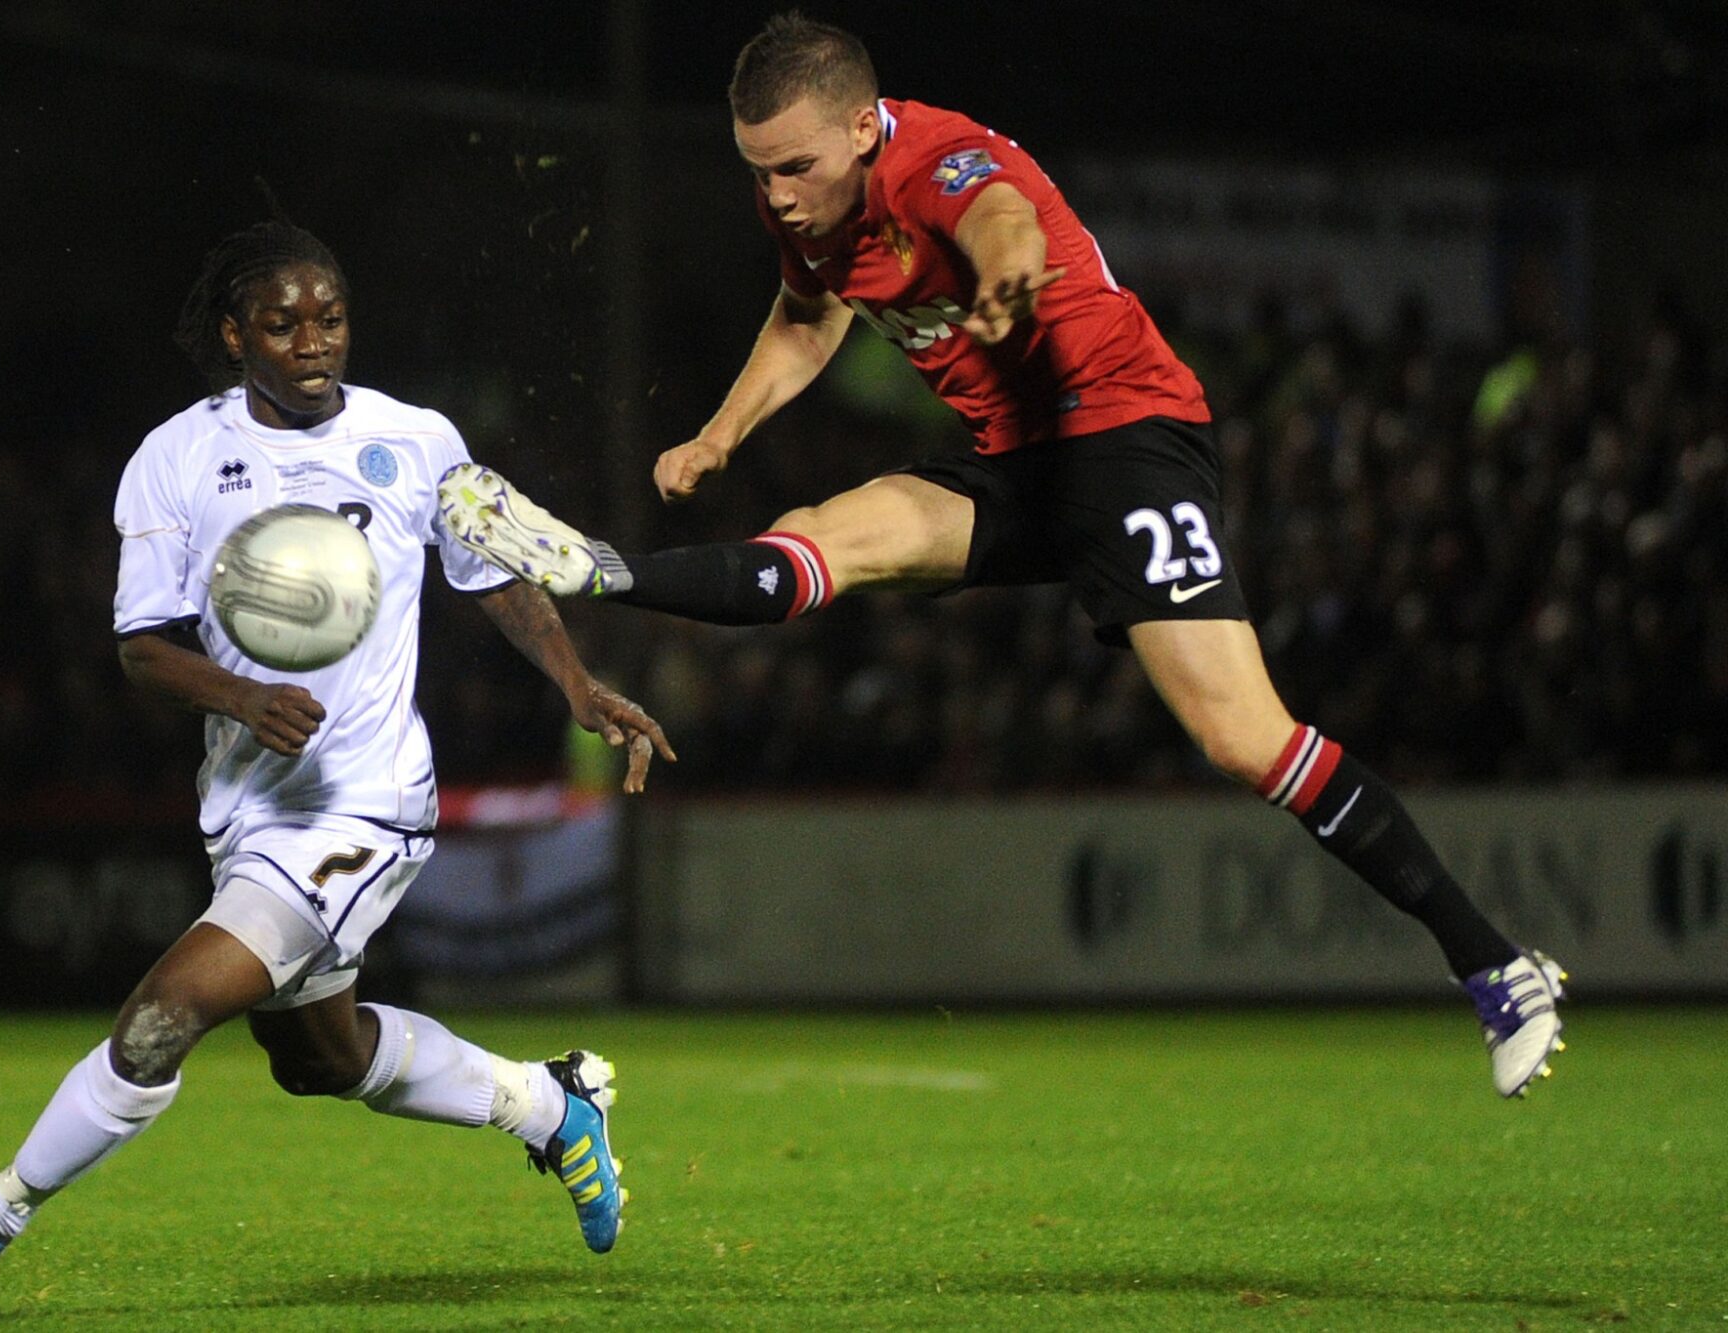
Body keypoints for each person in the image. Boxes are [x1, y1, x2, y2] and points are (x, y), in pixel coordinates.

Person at [439, 13, 1565, 1099]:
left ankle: (1493, 965)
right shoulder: (802, 199)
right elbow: (803, 311)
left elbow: (1005, 222)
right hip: (1020, 458)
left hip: (1126, 437)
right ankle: (602, 571)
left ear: (864, 125)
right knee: (835, 535)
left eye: (790, 165)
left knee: (1239, 736)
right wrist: (721, 434)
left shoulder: (942, 162)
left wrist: (1010, 276)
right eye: (755, 167)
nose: (774, 192)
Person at [0, 215, 674, 1300]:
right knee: (318, 1062)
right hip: (250, 806)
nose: (313, 341)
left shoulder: (415, 439)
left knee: (163, 1017)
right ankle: (549, 1105)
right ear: (235, 334)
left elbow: (491, 572)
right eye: (284, 323)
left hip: (369, 803)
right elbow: (142, 649)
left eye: (330, 318)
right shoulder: (177, 456)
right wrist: (242, 695)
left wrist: (576, 684)